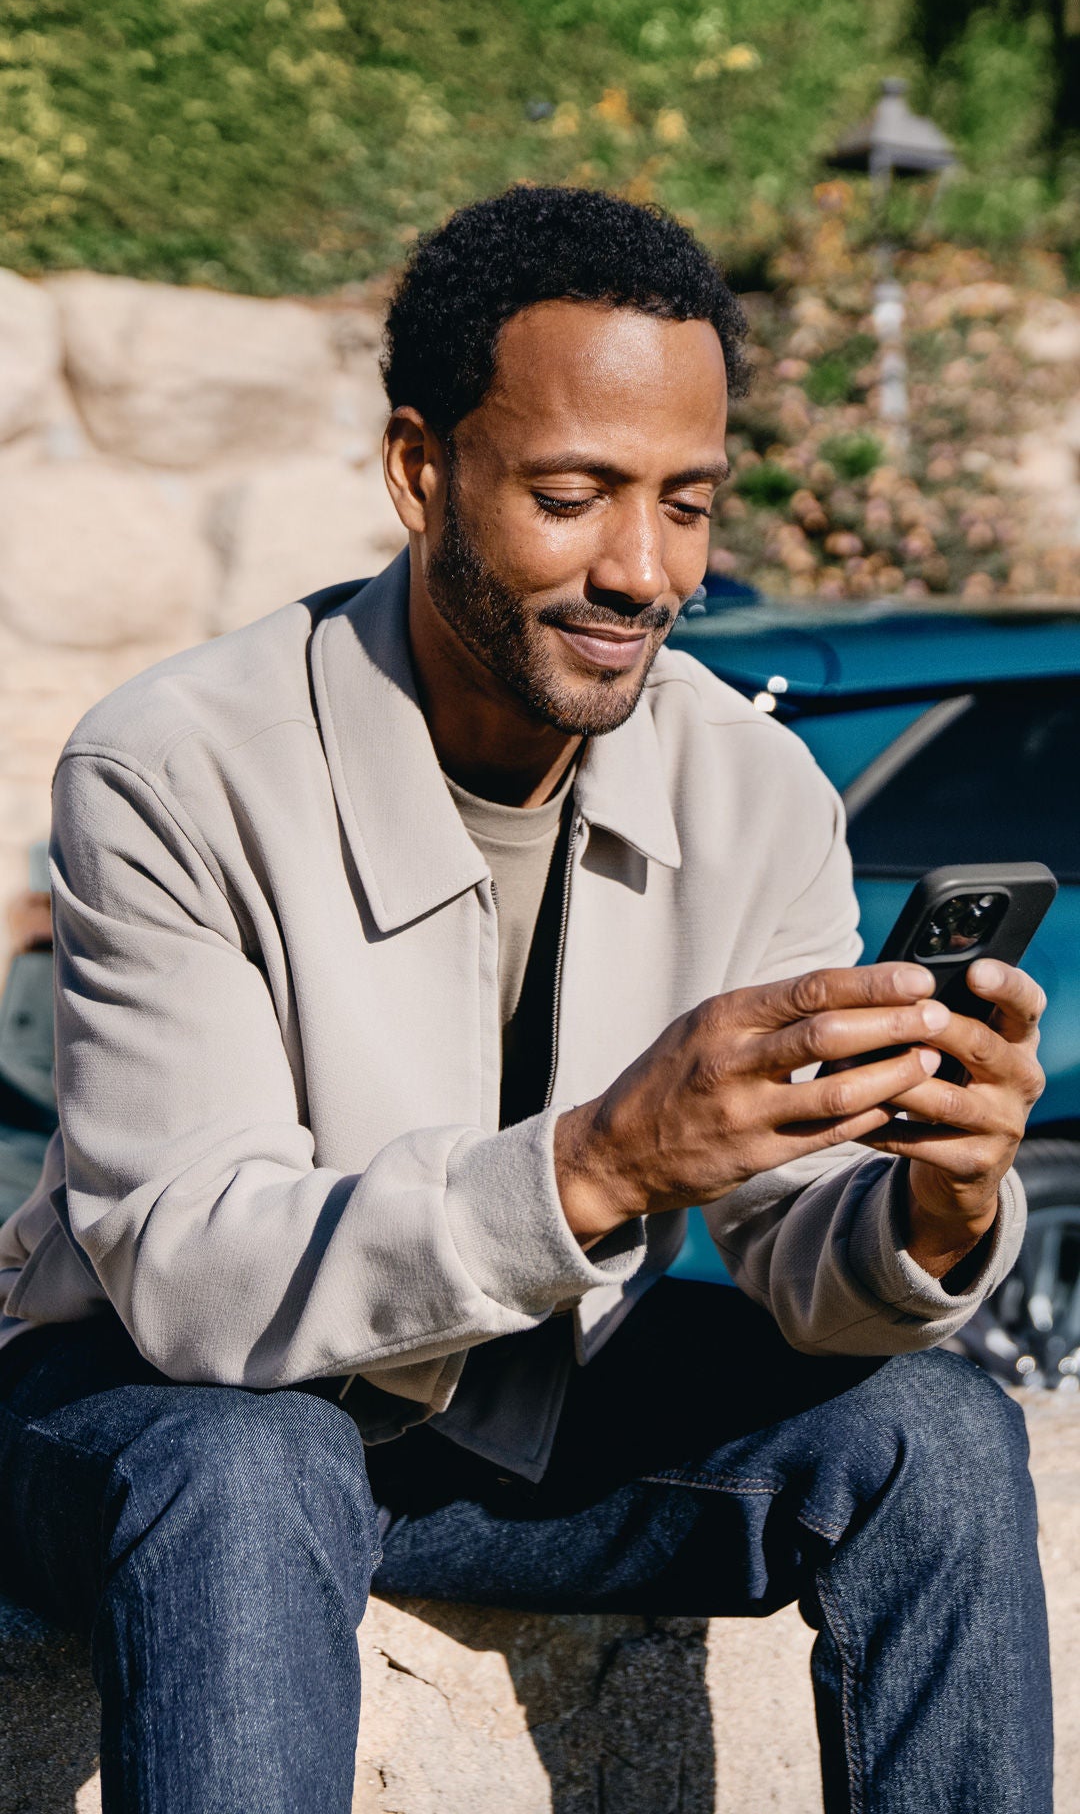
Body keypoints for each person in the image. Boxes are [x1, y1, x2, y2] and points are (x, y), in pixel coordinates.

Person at [0, 187, 1051, 1812]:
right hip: (154, 1424)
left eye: (688, 505)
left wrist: (936, 1204)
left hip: (523, 1418)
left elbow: (798, 1258)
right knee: (250, 1461)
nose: (643, 568)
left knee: (939, 1432)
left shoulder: (756, 787)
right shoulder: (170, 767)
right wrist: (607, 1163)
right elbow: (191, 1279)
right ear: (423, 470)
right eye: (575, 496)